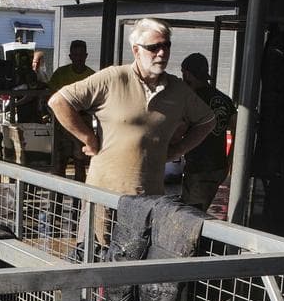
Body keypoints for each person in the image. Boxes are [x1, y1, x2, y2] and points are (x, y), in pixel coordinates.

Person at [48, 18, 215, 196]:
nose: (162, 53)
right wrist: (87, 137)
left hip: (149, 200)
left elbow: (207, 120)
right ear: (136, 50)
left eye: (166, 46)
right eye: (154, 47)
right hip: (104, 196)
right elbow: (58, 101)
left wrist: (179, 149)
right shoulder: (113, 78)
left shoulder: (178, 90)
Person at [177, 52, 236, 211]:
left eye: (184, 74)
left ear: (188, 73)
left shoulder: (191, 99)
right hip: (219, 166)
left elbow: (179, 128)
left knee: (191, 216)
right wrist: (229, 162)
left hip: (198, 167)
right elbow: (237, 129)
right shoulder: (225, 99)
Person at [47, 40, 96, 181]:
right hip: (62, 123)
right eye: (75, 54)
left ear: (86, 56)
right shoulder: (60, 74)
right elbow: (50, 97)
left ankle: (77, 201)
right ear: (70, 56)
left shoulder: (92, 76)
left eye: (81, 54)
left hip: (82, 121)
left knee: (80, 162)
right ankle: (57, 201)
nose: (78, 58)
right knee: (59, 163)